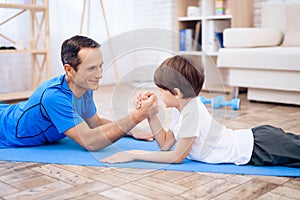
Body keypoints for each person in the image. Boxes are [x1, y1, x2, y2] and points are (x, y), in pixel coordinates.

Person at [101, 55, 300, 167]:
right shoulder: (182, 107)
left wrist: (134, 153)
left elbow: (175, 157)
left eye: (161, 90)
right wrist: (151, 114)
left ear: (177, 93)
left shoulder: (191, 112)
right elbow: (165, 144)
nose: (158, 94)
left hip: (259, 148)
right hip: (260, 140)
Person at [0, 35, 156, 150]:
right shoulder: (53, 97)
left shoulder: (85, 87)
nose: (99, 74)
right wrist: (138, 115)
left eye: (100, 66)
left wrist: (132, 130)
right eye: (91, 68)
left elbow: (95, 123)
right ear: (69, 70)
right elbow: (91, 142)